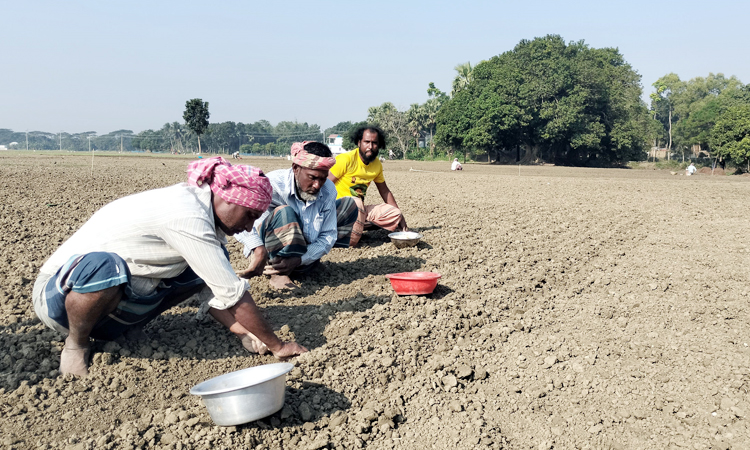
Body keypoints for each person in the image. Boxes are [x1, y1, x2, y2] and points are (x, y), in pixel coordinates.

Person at [32, 157, 308, 377]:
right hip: (58, 300)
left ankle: (119, 327)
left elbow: (214, 288)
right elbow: (233, 293)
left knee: (207, 265)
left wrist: (245, 332)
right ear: (225, 198)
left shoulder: (207, 222)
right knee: (104, 267)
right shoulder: (186, 214)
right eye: (249, 216)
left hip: (119, 303)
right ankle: (76, 343)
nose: (248, 227)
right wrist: (278, 345)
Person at [235, 141, 358, 290]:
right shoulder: (272, 185)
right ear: (295, 168)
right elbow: (240, 219)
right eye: (312, 177)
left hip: (302, 249)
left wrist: (300, 259)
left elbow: (328, 235)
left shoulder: (328, 190)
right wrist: (257, 250)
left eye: (323, 178)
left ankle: (306, 264)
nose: (317, 185)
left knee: (348, 206)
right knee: (285, 213)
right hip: (272, 246)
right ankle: (278, 273)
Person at [328, 126, 408, 247]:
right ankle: (347, 240)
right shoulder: (345, 159)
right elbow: (324, 185)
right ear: (359, 143)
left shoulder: (376, 165)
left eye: (374, 143)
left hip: (358, 211)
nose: (370, 146)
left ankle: (354, 227)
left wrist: (401, 219)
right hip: (336, 210)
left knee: (395, 214)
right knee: (356, 203)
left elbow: (384, 191)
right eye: (366, 142)